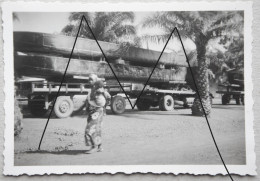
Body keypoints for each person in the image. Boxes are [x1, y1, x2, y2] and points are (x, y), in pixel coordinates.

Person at [84, 74, 110, 154]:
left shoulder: (99, 88)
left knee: (89, 129)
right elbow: (89, 100)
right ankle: (99, 146)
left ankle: (94, 146)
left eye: (91, 79)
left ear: (95, 80)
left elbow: (108, 97)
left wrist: (103, 106)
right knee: (97, 129)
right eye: (89, 79)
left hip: (97, 111)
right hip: (93, 111)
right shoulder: (92, 89)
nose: (89, 81)